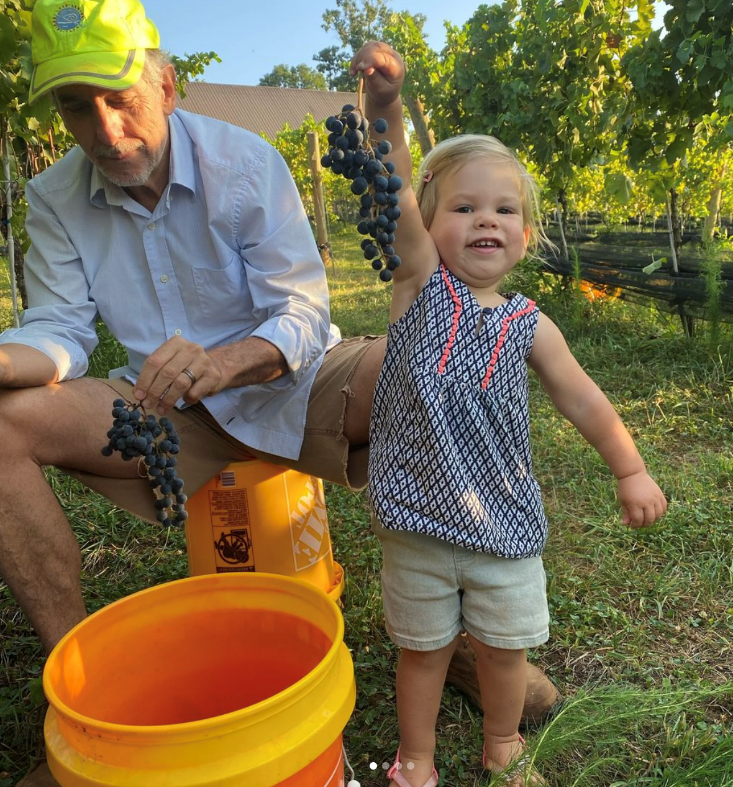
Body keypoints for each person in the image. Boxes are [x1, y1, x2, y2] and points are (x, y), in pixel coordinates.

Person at [0, 0, 559, 746]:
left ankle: (457, 632)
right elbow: (59, 331)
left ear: (165, 87)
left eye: (121, 100)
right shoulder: (54, 197)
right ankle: (83, 690)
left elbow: (300, 314)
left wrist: (225, 360)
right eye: (76, 107)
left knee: (429, 360)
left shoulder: (243, 163)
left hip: (297, 385)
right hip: (167, 410)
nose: (104, 130)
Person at [351, 42, 667, 787]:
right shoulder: (421, 287)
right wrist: (386, 112)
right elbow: (391, 189)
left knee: (503, 648)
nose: (484, 221)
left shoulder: (530, 323)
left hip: (504, 525)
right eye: (462, 207)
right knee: (423, 651)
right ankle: (416, 755)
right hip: (418, 519)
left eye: (502, 210)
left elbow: (581, 396)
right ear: (429, 225)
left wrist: (630, 465)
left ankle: (501, 743)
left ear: (525, 234)